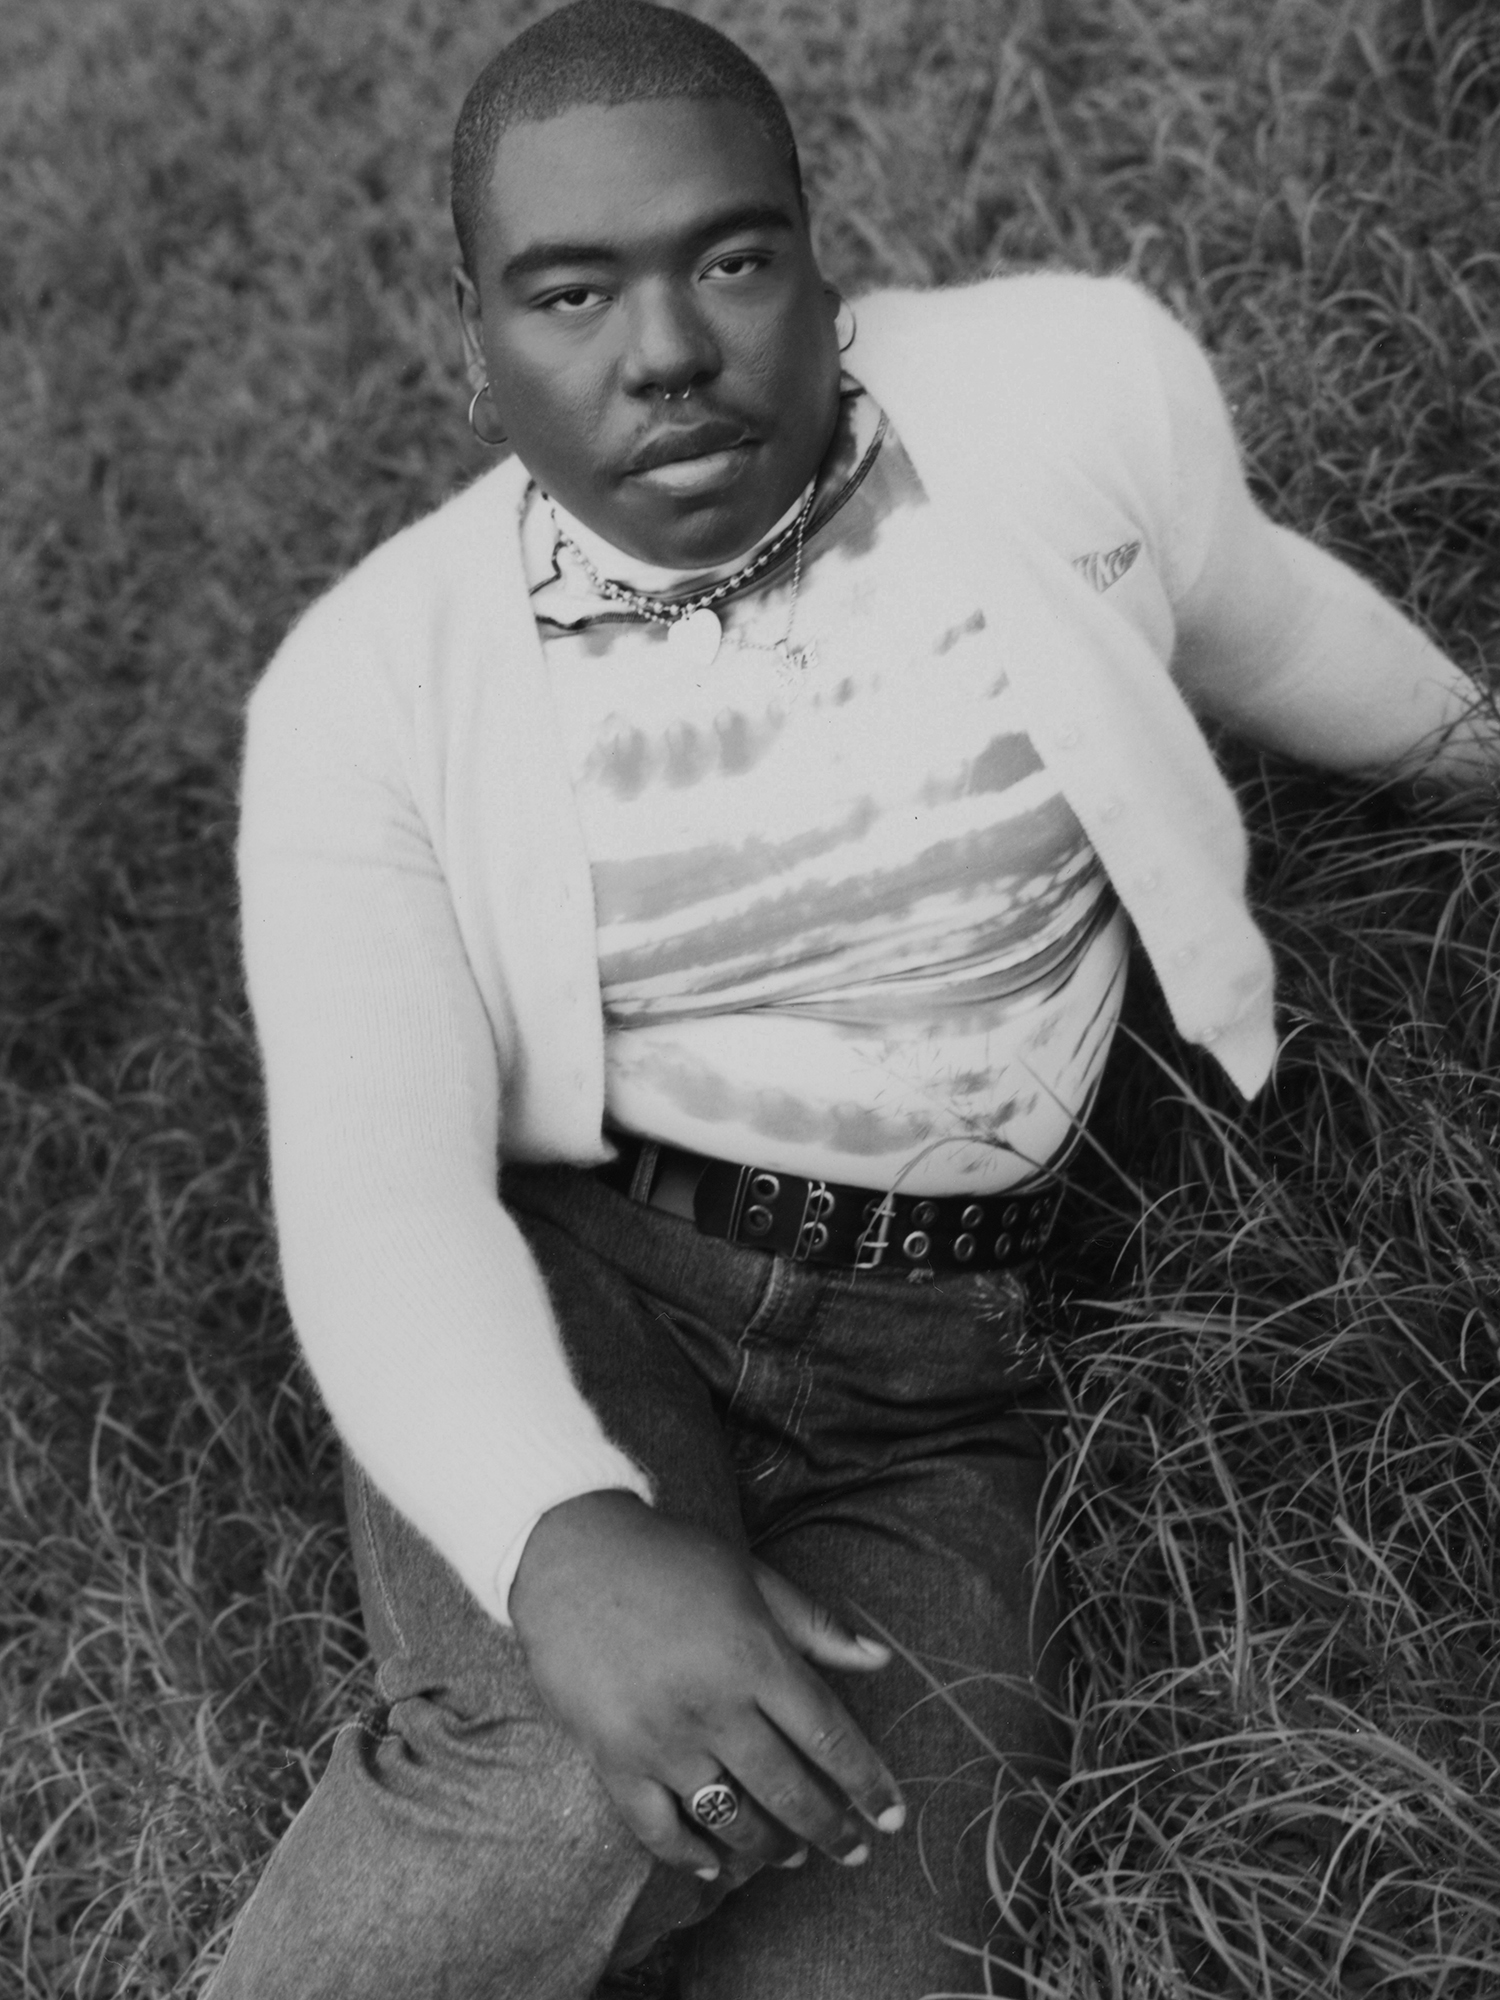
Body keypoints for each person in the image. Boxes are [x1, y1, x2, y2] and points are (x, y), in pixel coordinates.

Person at [210, 3, 1489, 1995]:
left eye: (730, 258)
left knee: (857, 1936)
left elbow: (1253, 610)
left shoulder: (1057, 396)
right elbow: (374, 1188)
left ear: (823, 255)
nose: (667, 353)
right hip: (590, 1284)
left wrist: (1469, 743)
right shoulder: (373, 692)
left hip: (935, 1378)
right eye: (570, 292)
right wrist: (560, 1536)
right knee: (575, 1767)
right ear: (475, 331)